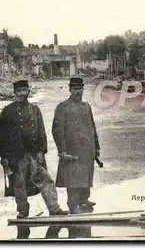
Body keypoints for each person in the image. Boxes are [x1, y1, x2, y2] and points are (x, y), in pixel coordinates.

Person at [0, 80, 69, 218]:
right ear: (14, 93)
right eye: (18, 91)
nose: (21, 94)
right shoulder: (7, 111)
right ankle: (22, 211)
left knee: (45, 180)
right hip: (16, 155)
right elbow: (2, 135)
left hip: (34, 153)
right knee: (19, 184)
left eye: (24, 90)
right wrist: (5, 156)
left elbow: (41, 131)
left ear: (28, 91)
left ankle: (54, 208)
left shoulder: (35, 109)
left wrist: (42, 151)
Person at [52, 77, 100, 214]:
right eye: (74, 89)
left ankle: (84, 199)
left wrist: (96, 148)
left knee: (86, 175)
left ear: (83, 89)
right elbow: (57, 130)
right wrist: (62, 150)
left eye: (80, 89)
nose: (77, 92)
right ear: (70, 90)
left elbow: (92, 127)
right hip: (72, 149)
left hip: (87, 149)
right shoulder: (63, 107)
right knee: (73, 178)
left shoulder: (86, 106)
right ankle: (73, 205)